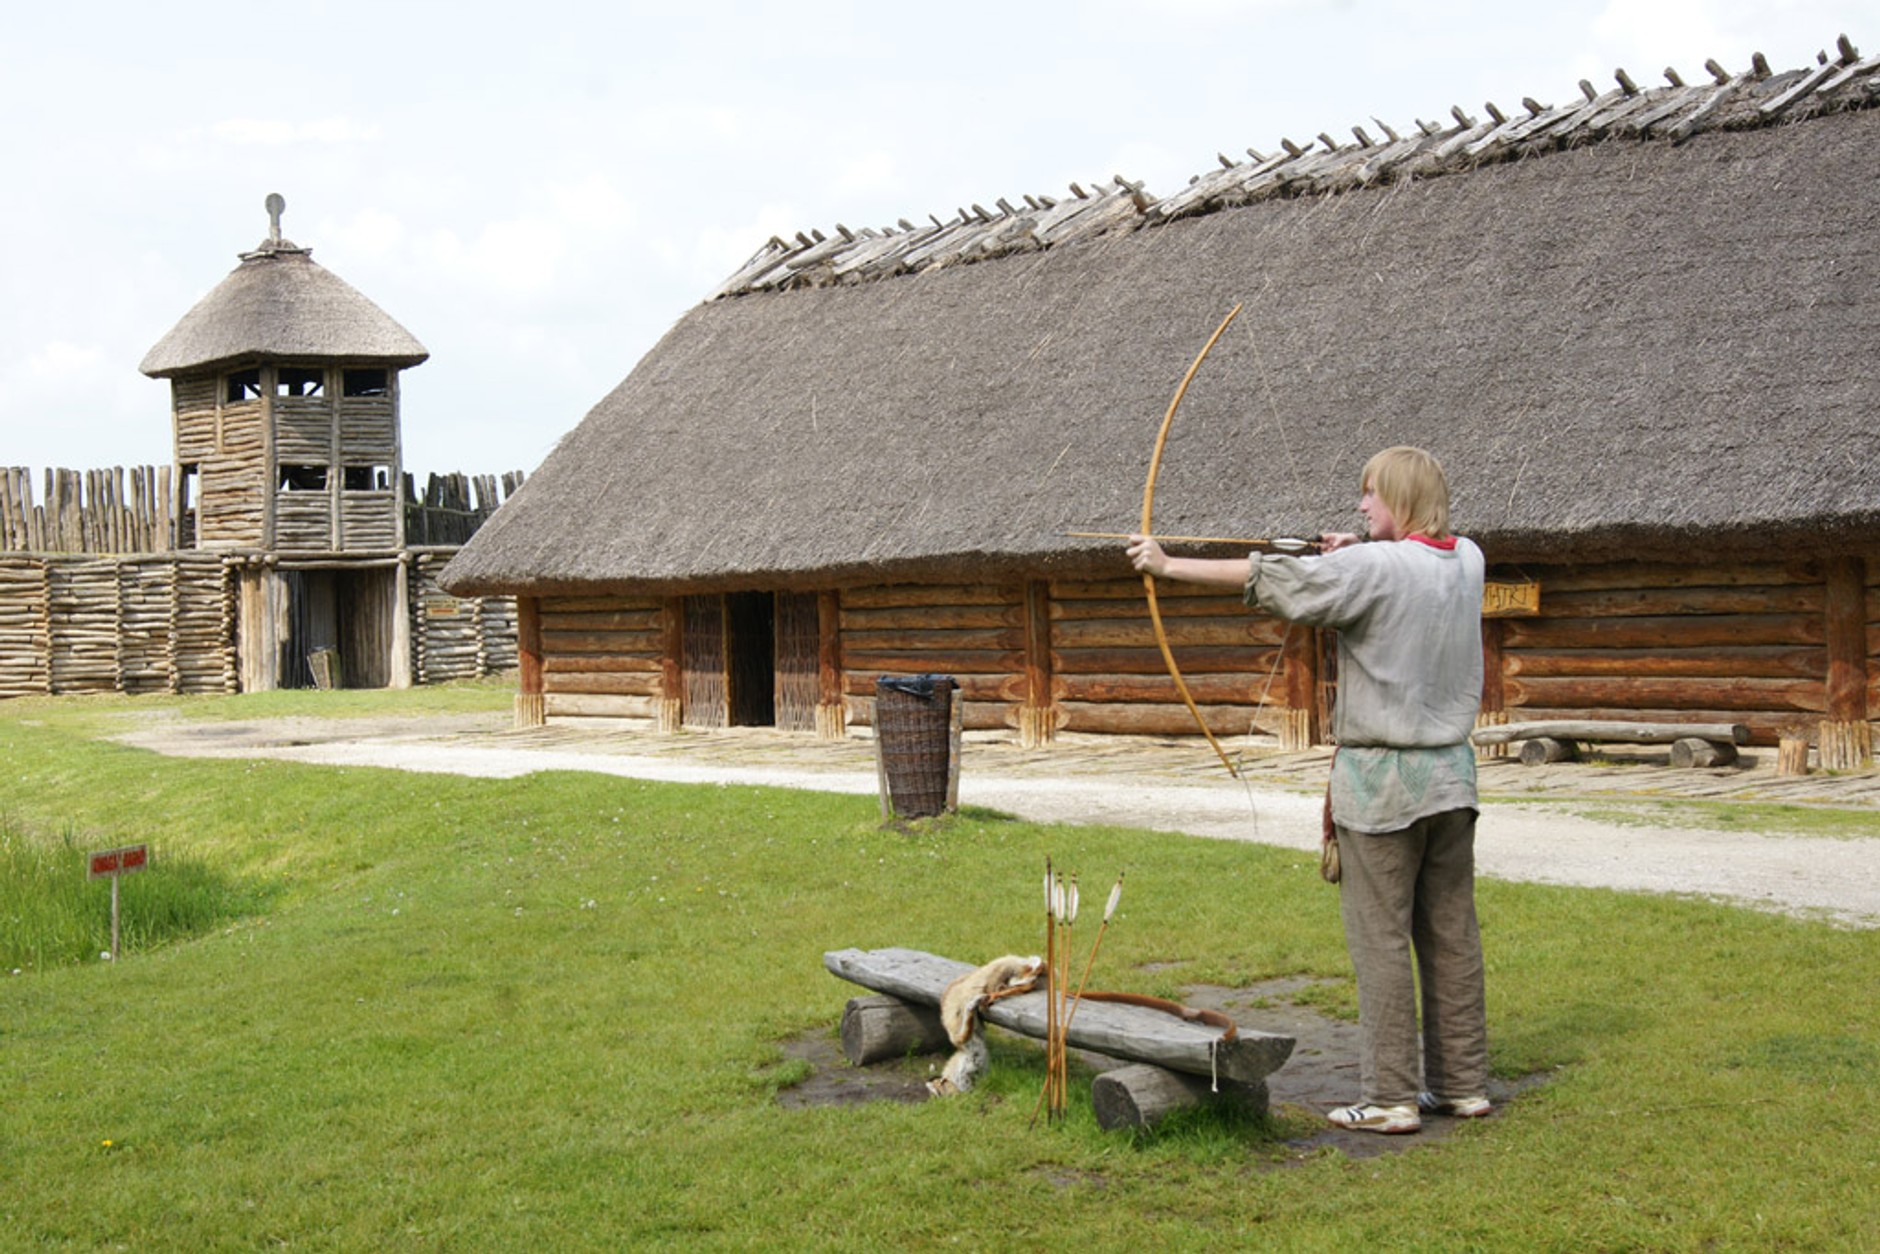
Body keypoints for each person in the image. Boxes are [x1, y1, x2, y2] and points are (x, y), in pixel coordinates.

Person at [1127, 446, 1489, 1134]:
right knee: (1452, 937)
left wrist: (1167, 565)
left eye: (1371, 493)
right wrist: (1361, 550)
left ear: (1400, 498)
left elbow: (1271, 576)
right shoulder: (1469, 558)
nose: (1361, 504)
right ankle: (1463, 1086)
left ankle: (1390, 1098)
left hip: (1383, 787)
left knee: (1381, 941)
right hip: (1451, 781)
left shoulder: (1373, 566)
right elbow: (1408, 571)